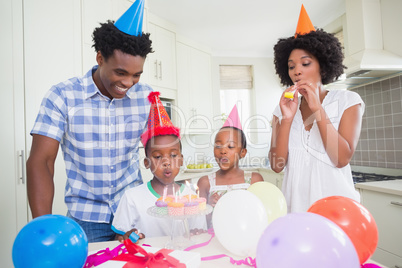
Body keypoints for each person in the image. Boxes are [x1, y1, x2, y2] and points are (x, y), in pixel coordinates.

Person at [26, 0, 154, 242]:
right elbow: (41, 161)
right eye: (120, 72)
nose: (128, 83)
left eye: (136, 75)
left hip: (133, 214)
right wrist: (42, 229)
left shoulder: (146, 97)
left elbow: (160, 151)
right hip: (85, 221)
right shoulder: (62, 96)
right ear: (99, 58)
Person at [268, 5, 364, 213]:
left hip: (337, 210)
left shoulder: (348, 100)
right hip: (297, 210)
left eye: (305, 63)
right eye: (292, 66)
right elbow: (277, 165)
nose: (297, 71)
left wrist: (317, 108)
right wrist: (286, 119)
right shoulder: (281, 109)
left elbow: (341, 159)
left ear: (323, 64)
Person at [112, 92, 206, 242]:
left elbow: (199, 234)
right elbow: (120, 237)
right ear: (146, 163)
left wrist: (197, 233)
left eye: (173, 156)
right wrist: (126, 236)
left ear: (181, 160)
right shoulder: (132, 198)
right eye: (157, 157)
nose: (167, 162)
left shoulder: (191, 199)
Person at [197, 105, 264, 226]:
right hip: (213, 241)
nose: (223, 151)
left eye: (231, 147)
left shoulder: (254, 180)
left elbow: (261, 216)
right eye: (218, 146)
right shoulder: (205, 182)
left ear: (243, 152)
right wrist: (208, 208)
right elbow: (200, 223)